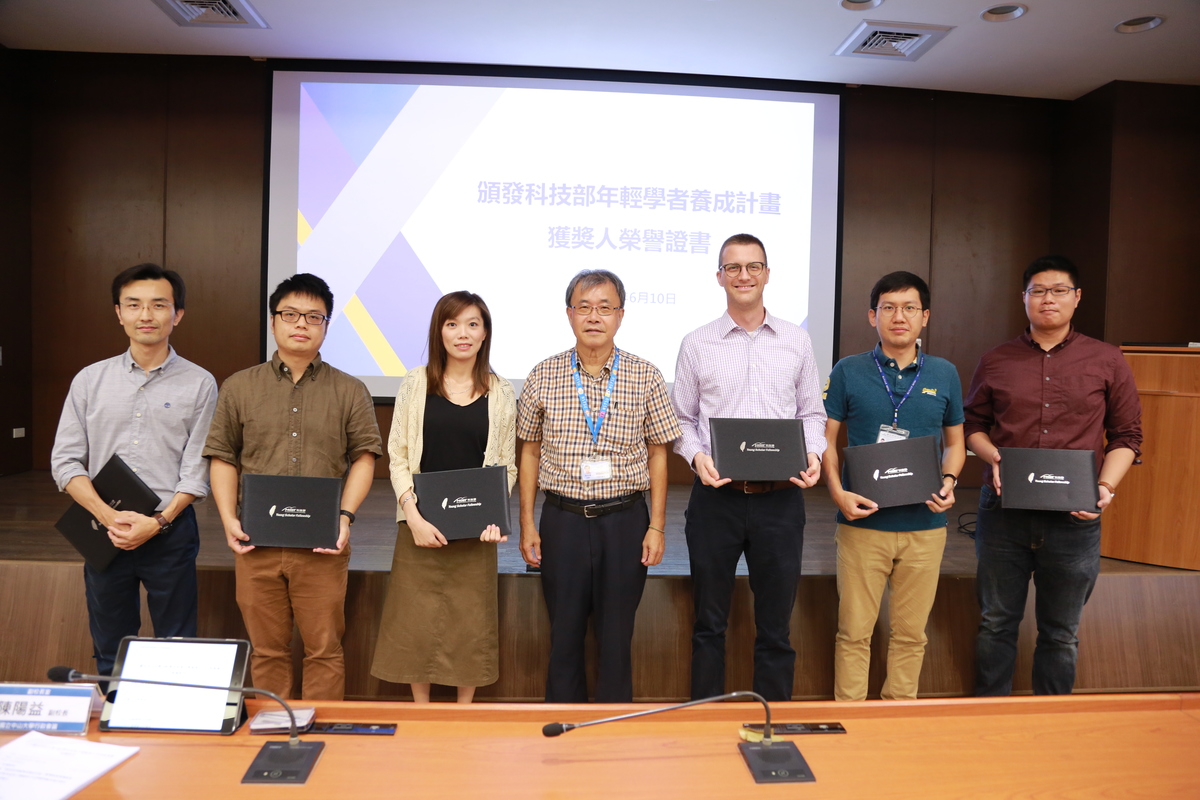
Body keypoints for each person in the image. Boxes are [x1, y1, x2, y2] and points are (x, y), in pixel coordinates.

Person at [964, 255, 1142, 696]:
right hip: (1004, 512)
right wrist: (995, 458)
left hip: (1074, 517)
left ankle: (1053, 722)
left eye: (1059, 290)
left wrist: (1104, 487)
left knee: (1061, 633)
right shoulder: (996, 359)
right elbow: (972, 428)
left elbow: (1127, 436)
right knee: (995, 624)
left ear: (1077, 298)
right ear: (1024, 298)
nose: (1048, 299)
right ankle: (986, 720)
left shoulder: (1107, 359)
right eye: (1038, 291)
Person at [203, 273, 381, 700]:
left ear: (326, 325)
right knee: (266, 650)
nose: (301, 323)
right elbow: (223, 456)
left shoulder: (350, 390)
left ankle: (324, 738)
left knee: (323, 649)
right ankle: (270, 730)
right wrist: (229, 519)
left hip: (322, 542)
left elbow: (364, 458)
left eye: (313, 316)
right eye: (290, 314)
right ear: (273, 321)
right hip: (256, 542)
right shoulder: (240, 387)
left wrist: (345, 517)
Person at [672, 233, 827, 701]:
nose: (743, 275)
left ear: (766, 274)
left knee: (776, 627)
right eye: (733, 267)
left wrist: (814, 454)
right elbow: (680, 417)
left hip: (779, 501)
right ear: (719, 276)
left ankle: (772, 722)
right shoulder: (697, 343)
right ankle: (705, 717)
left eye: (753, 266)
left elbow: (812, 414)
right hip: (715, 499)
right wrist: (697, 456)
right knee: (708, 624)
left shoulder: (796, 341)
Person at [517, 269, 680, 703]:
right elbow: (529, 451)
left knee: (616, 639)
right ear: (569, 314)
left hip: (625, 520)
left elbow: (659, 453)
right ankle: (559, 735)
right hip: (563, 520)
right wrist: (527, 524)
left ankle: (613, 738)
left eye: (605, 307)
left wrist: (658, 526)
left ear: (621, 315)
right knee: (564, 636)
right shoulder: (543, 374)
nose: (594, 317)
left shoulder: (646, 375)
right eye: (584, 307)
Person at [50, 263, 217, 677]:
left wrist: (157, 522)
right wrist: (108, 516)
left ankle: (174, 729)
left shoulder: (200, 383)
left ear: (176, 315)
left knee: (177, 644)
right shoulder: (90, 380)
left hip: (170, 529)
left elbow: (196, 471)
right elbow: (66, 461)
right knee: (110, 645)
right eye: (134, 305)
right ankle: (115, 724)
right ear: (118, 313)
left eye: (159, 305)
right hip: (104, 529)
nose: (147, 315)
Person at [821, 271, 965, 701]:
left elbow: (955, 443)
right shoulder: (848, 371)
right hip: (863, 525)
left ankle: (898, 719)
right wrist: (836, 492)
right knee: (853, 634)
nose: (898, 317)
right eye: (888, 308)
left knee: (911, 635)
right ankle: (850, 717)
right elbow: (824, 440)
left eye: (908, 308)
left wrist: (950, 481)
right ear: (872, 316)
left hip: (925, 527)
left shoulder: (945, 372)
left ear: (925, 317)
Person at [370, 291, 517, 703]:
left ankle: (463, 711)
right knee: (415, 621)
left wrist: (493, 515)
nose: (463, 333)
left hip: (475, 531)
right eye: (452, 324)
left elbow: (507, 464)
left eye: (473, 324)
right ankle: (421, 709)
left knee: (470, 624)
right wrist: (412, 515)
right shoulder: (416, 383)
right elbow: (397, 454)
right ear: (439, 331)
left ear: (485, 332)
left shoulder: (502, 392)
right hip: (420, 524)